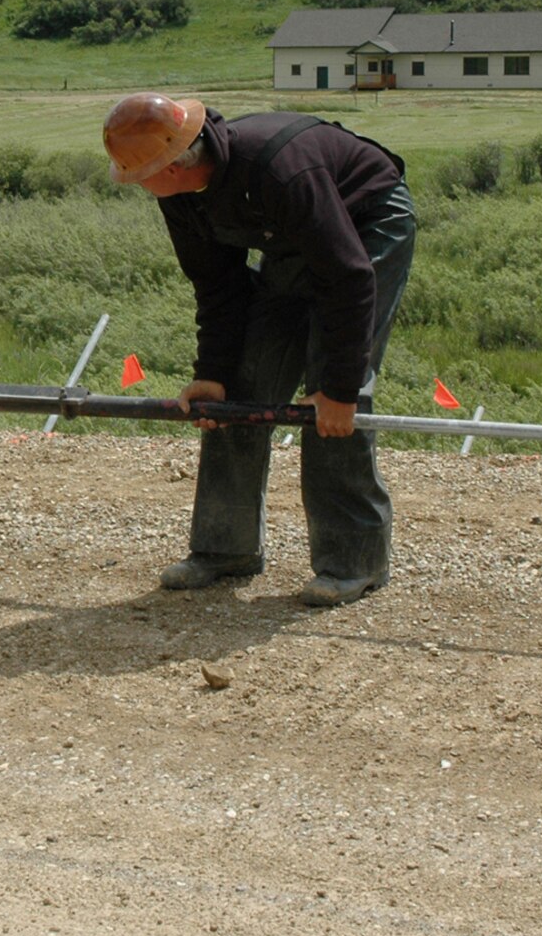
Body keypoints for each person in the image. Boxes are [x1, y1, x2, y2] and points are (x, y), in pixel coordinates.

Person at [101, 93, 415, 607]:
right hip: (294, 238)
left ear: (173, 165)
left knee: (328, 400)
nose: (136, 184)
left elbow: (348, 277)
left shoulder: (278, 169)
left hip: (368, 224)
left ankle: (351, 563)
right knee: (240, 394)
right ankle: (225, 550)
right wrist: (213, 372)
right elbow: (217, 285)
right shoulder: (179, 197)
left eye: (140, 175)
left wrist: (339, 389)